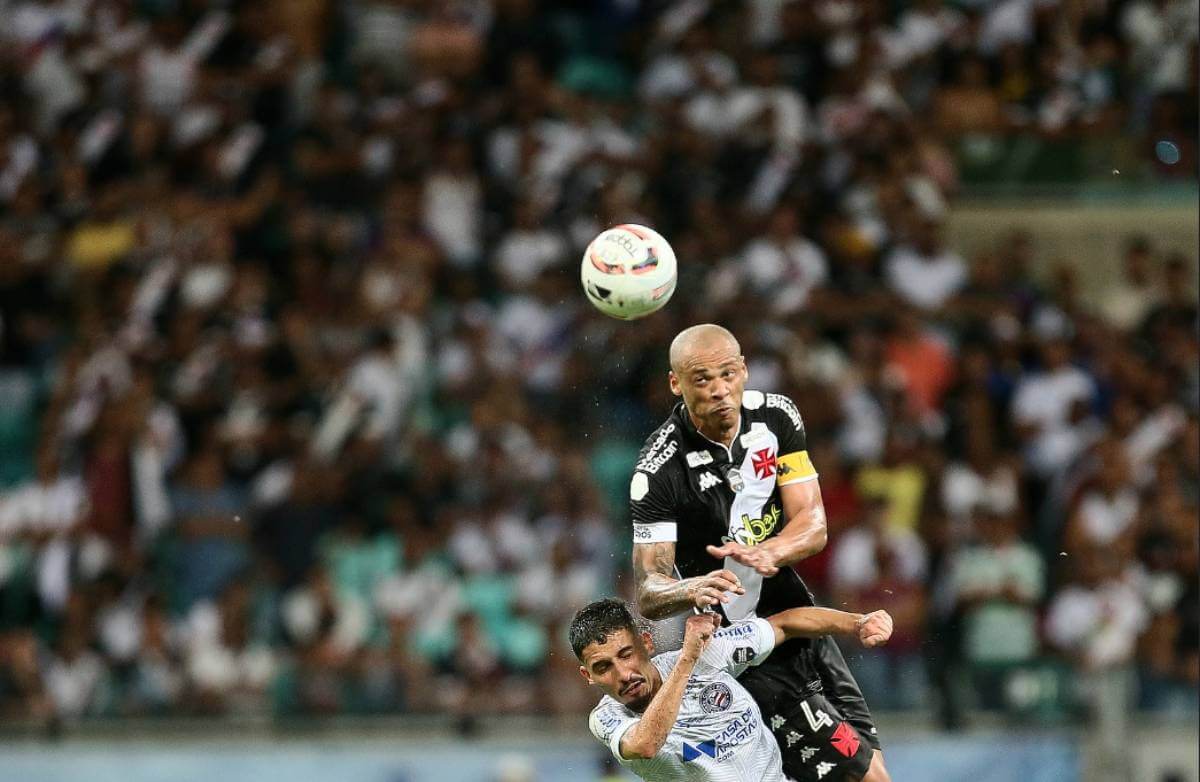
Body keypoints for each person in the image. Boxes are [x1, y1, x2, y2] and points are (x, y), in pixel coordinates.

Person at [629, 323, 890, 781]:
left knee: (871, 764)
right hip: (747, 647)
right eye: (702, 379)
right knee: (868, 778)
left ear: (745, 370)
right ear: (676, 384)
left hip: (801, 620)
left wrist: (774, 550)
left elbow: (813, 522)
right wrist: (693, 585)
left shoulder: (777, 417)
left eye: (727, 374)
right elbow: (650, 590)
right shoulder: (659, 470)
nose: (718, 390)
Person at [573, 598, 894, 782]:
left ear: (646, 643)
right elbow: (645, 745)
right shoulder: (606, 717)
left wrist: (857, 622)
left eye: (626, 654)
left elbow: (784, 623)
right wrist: (687, 660)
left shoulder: (708, 654)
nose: (624, 674)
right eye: (604, 667)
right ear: (588, 675)